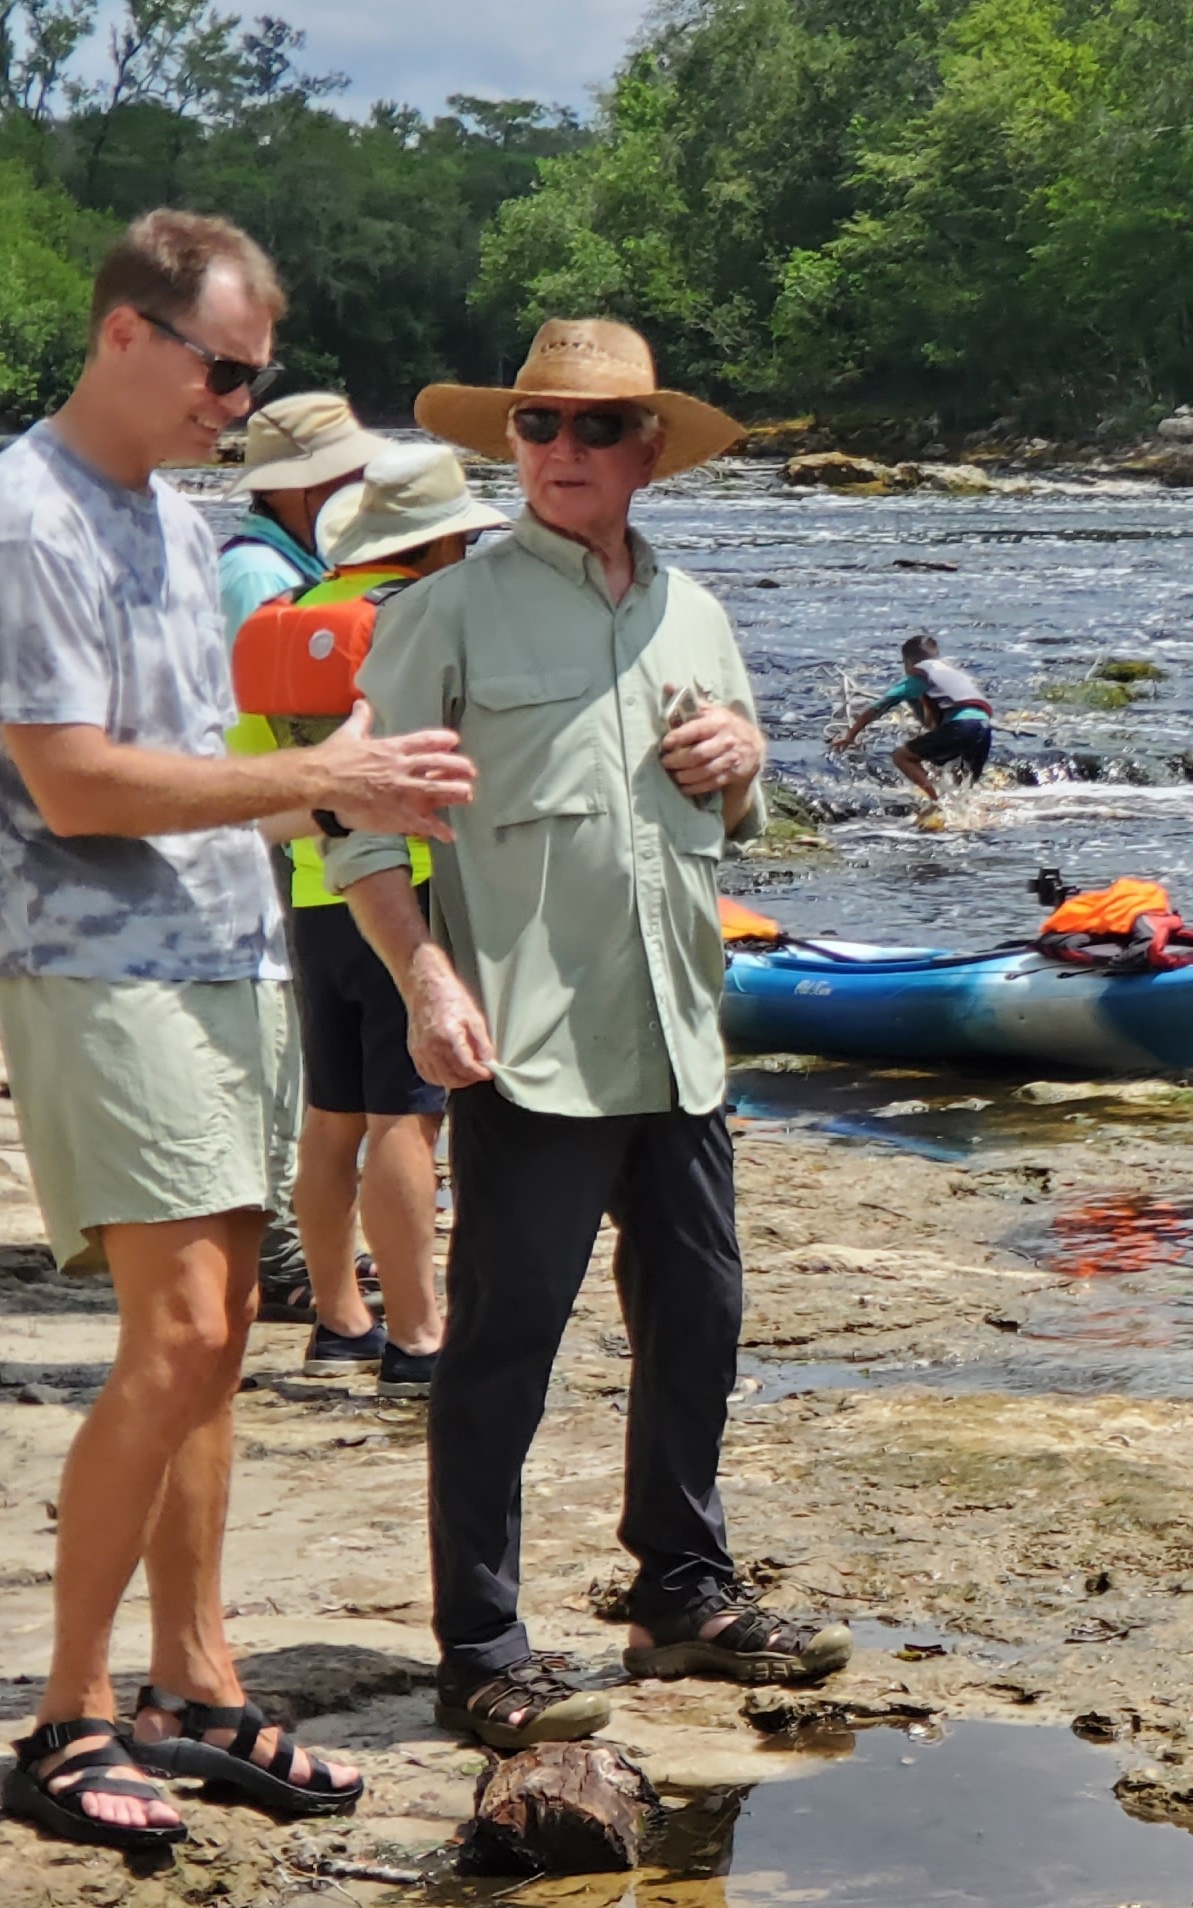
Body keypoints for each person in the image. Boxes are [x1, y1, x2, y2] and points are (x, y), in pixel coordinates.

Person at [0, 209, 473, 1848]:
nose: (236, 403)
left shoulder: (166, 516)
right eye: (220, 370)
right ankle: (65, 1719)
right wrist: (318, 777)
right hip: (96, 963)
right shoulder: (26, 525)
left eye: (256, 378)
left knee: (224, 1331)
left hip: (220, 953)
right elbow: (76, 779)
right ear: (124, 334)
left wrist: (340, 744)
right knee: (174, 1335)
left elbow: (205, 741)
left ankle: (194, 1684)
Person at [331, 317, 855, 1753]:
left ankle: (679, 1594)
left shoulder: (695, 609)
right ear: (509, 444)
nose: (562, 450)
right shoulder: (445, 612)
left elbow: (737, 801)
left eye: (594, 428)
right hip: (531, 1049)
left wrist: (752, 764)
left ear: (648, 453)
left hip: (681, 1037)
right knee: (503, 1348)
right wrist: (431, 986)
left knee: (701, 1321)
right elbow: (362, 844)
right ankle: (482, 1651)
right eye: (537, 426)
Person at [226, 445, 507, 1398]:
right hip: (407, 888)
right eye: (463, 540)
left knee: (331, 1114)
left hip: (310, 887)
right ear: (434, 547)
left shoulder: (284, 615)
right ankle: (419, 1337)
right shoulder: (419, 622)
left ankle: (341, 1318)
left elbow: (255, 765)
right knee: (408, 1119)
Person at [214, 391, 390, 634]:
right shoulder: (255, 574)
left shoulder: (304, 559)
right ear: (293, 485)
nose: (363, 482)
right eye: (348, 471)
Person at [833, 633, 994, 805]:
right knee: (962, 783)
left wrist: (850, 735)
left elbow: (877, 708)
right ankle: (963, 812)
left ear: (908, 662)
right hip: (984, 728)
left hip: (962, 725)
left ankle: (936, 803)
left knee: (902, 756)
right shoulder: (952, 673)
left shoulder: (918, 677)